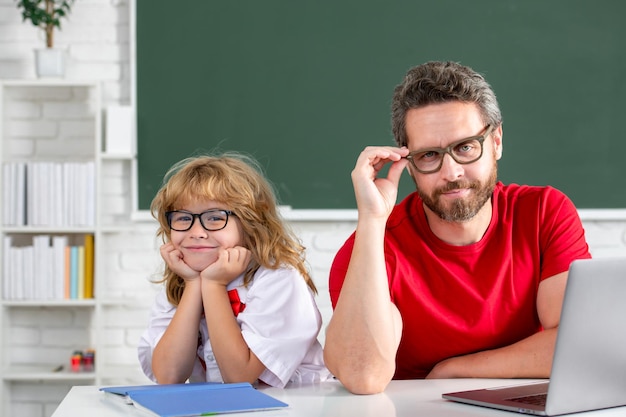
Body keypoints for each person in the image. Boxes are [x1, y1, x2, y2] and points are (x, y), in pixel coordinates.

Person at [323, 61, 591, 394]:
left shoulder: (544, 213)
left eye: (465, 147)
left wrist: (456, 370)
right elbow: (362, 375)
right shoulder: (370, 248)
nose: (451, 172)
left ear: (496, 142)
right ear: (408, 164)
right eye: (430, 155)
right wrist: (372, 220)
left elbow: (580, 345)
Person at [138, 153, 331, 388]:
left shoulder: (278, 280)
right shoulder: (183, 281)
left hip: (295, 406)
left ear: (250, 223)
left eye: (215, 217)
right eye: (183, 218)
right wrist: (193, 285)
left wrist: (213, 285)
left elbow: (239, 378)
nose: (196, 231)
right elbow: (168, 376)